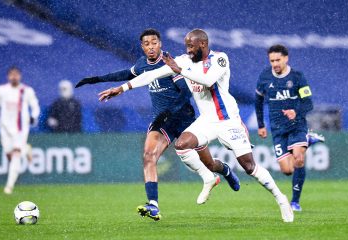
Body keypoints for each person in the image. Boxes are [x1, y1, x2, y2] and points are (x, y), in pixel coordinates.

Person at [99, 29, 294, 222]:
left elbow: (208, 80)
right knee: (182, 145)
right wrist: (122, 88)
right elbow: (152, 75)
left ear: (203, 44)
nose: (188, 50)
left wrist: (179, 70)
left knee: (249, 166)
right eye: (186, 46)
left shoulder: (220, 59)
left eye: (191, 46)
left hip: (228, 120)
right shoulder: (183, 61)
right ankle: (208, 177)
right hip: (206, 120)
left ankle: (280, 198)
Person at [76, 28, 240, 221]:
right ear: (142, 47)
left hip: (184, 118)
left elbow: (186, 93)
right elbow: (126, 74)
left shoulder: (171, 63)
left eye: (154, 43)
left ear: (160, 44)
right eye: (147, 44)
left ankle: (225, 170)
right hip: (162, 121)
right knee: (148, 155)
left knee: (209, 163)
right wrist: (96, 80)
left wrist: (170, 112)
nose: (151, 47)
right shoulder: (142, 65)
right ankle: (153, 205)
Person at [255, 44, 325, 212]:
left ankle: (295, 202)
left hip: (297, 125)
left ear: (286, 58)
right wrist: (261, 125)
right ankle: (308, 140)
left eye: (278, 60)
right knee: (287, 170)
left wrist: (296, 111)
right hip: (278, 129)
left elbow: (308, 103)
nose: (275, 64)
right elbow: (258, 101)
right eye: (272, 60)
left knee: (299, 159)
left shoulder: (298, 77)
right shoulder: (265, 76)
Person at [0, 66, 40, 194]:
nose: (14, 77)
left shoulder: (26, 90)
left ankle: (9, 186)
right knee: (8, 153)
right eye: (11, 74)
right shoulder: (1, 90)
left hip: (20, 127)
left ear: (20, 76)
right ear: (8, 76)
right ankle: (26, 149)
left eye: (16, 74)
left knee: (16, 154)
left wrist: (34, 116)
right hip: (5, 127)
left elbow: (35, 105)